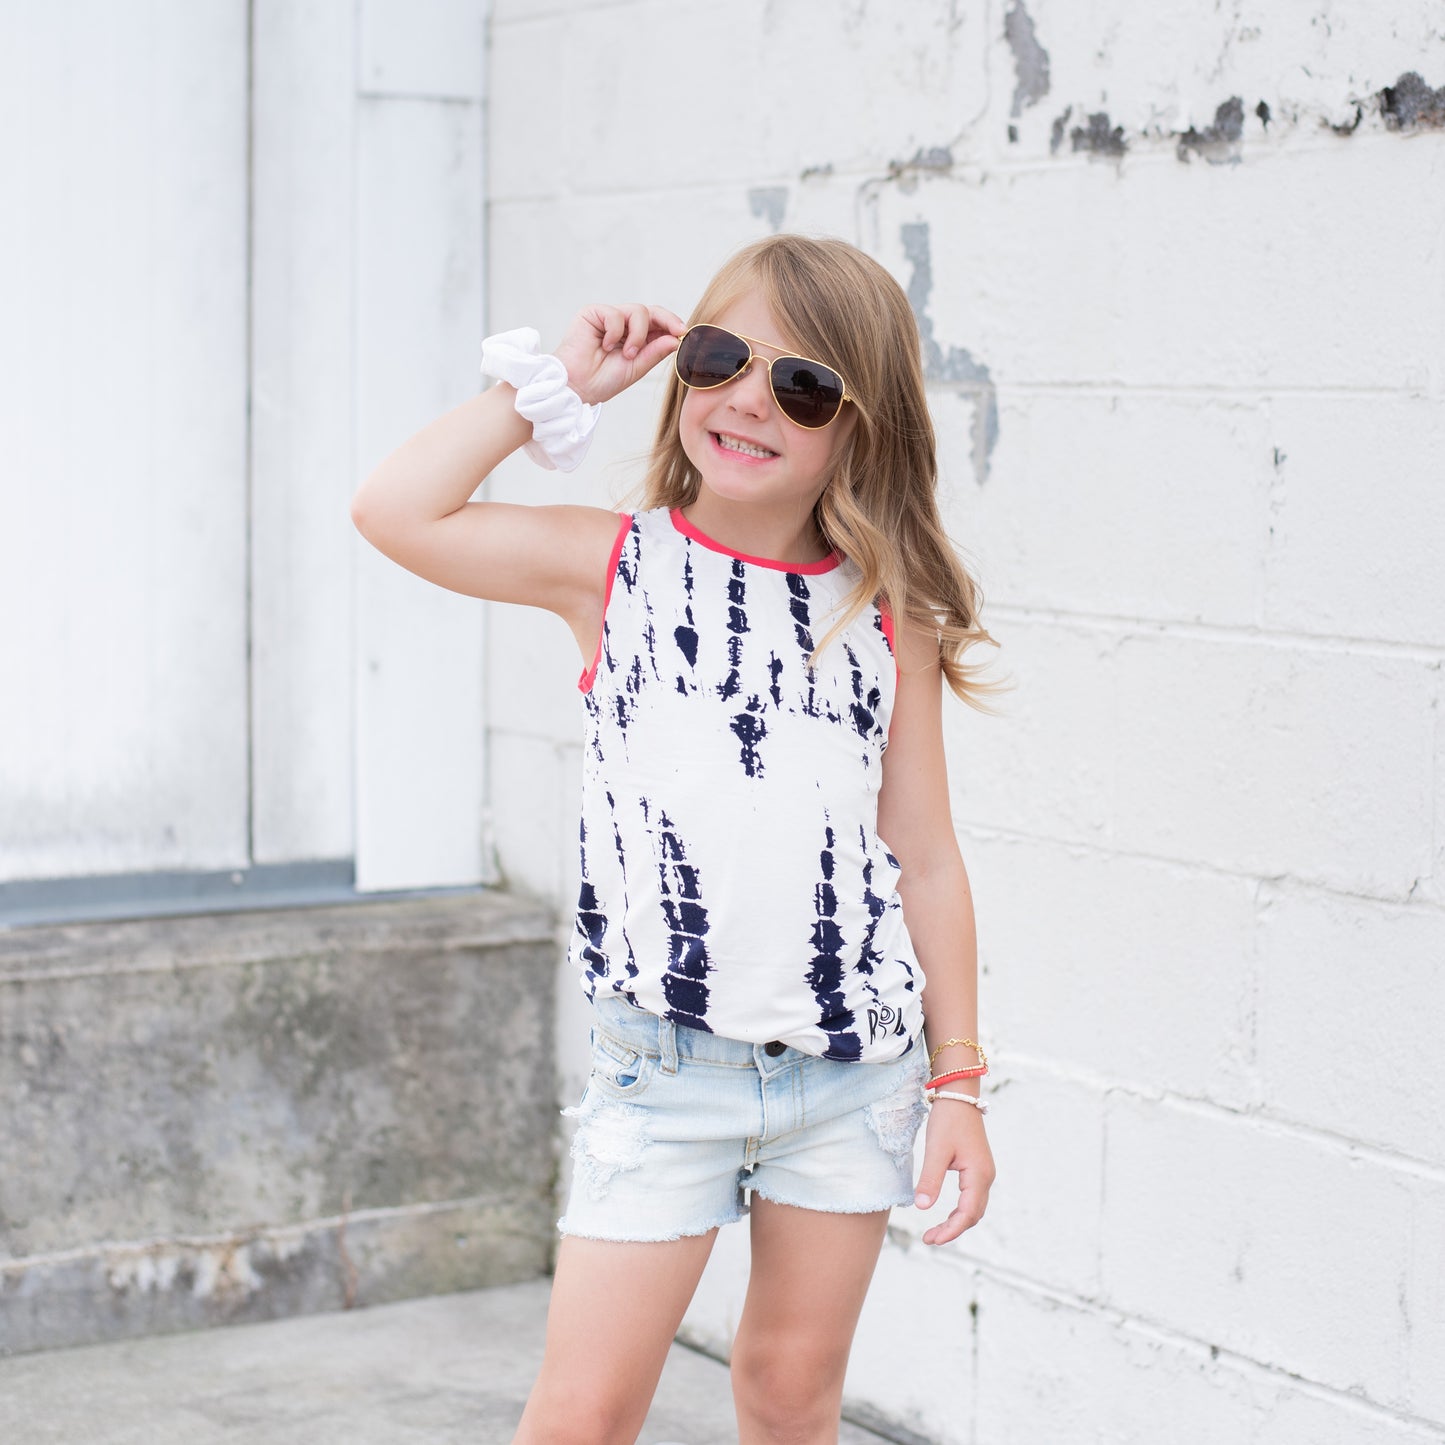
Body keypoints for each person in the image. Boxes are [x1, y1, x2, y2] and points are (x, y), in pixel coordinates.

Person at [351, 233, 1001, 1445]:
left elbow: (923, 853)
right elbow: (393, 509)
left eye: (802, 385)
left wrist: (957, 1081)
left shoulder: (882, 613)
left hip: (848, 1074)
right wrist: (545, 390)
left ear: (857, 428)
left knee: (789, 1391)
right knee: (582, 1416)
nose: (749, 397)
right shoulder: (614, 567)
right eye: (721, 356)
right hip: (665, 1073)